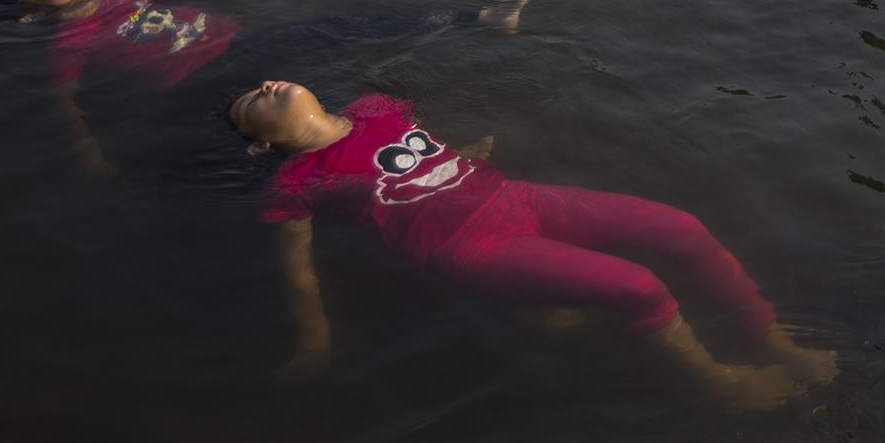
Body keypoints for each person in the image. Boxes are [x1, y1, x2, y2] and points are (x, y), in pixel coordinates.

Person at [225, 79, 837, 409]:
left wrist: (465, 156)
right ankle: (720, 382)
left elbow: (412, 158)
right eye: (252, 100)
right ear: (259, 143)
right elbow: (299, 271)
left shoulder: (375, 105)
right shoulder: (296, 183)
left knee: (680, 226)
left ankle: (771, 338)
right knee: (639, 286)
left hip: (516, 197)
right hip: (466, 248)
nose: (267, 83)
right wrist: (315, 344)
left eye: (262, 82)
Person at [0, 0, 527, 173]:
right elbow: (67, 100)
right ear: (32, 13)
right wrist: (87, 147)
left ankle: (480, 17)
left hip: (246, 46)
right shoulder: (70, 38)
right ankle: (430, 166)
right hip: (213, 80)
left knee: (346, 27)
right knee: (313, 119)